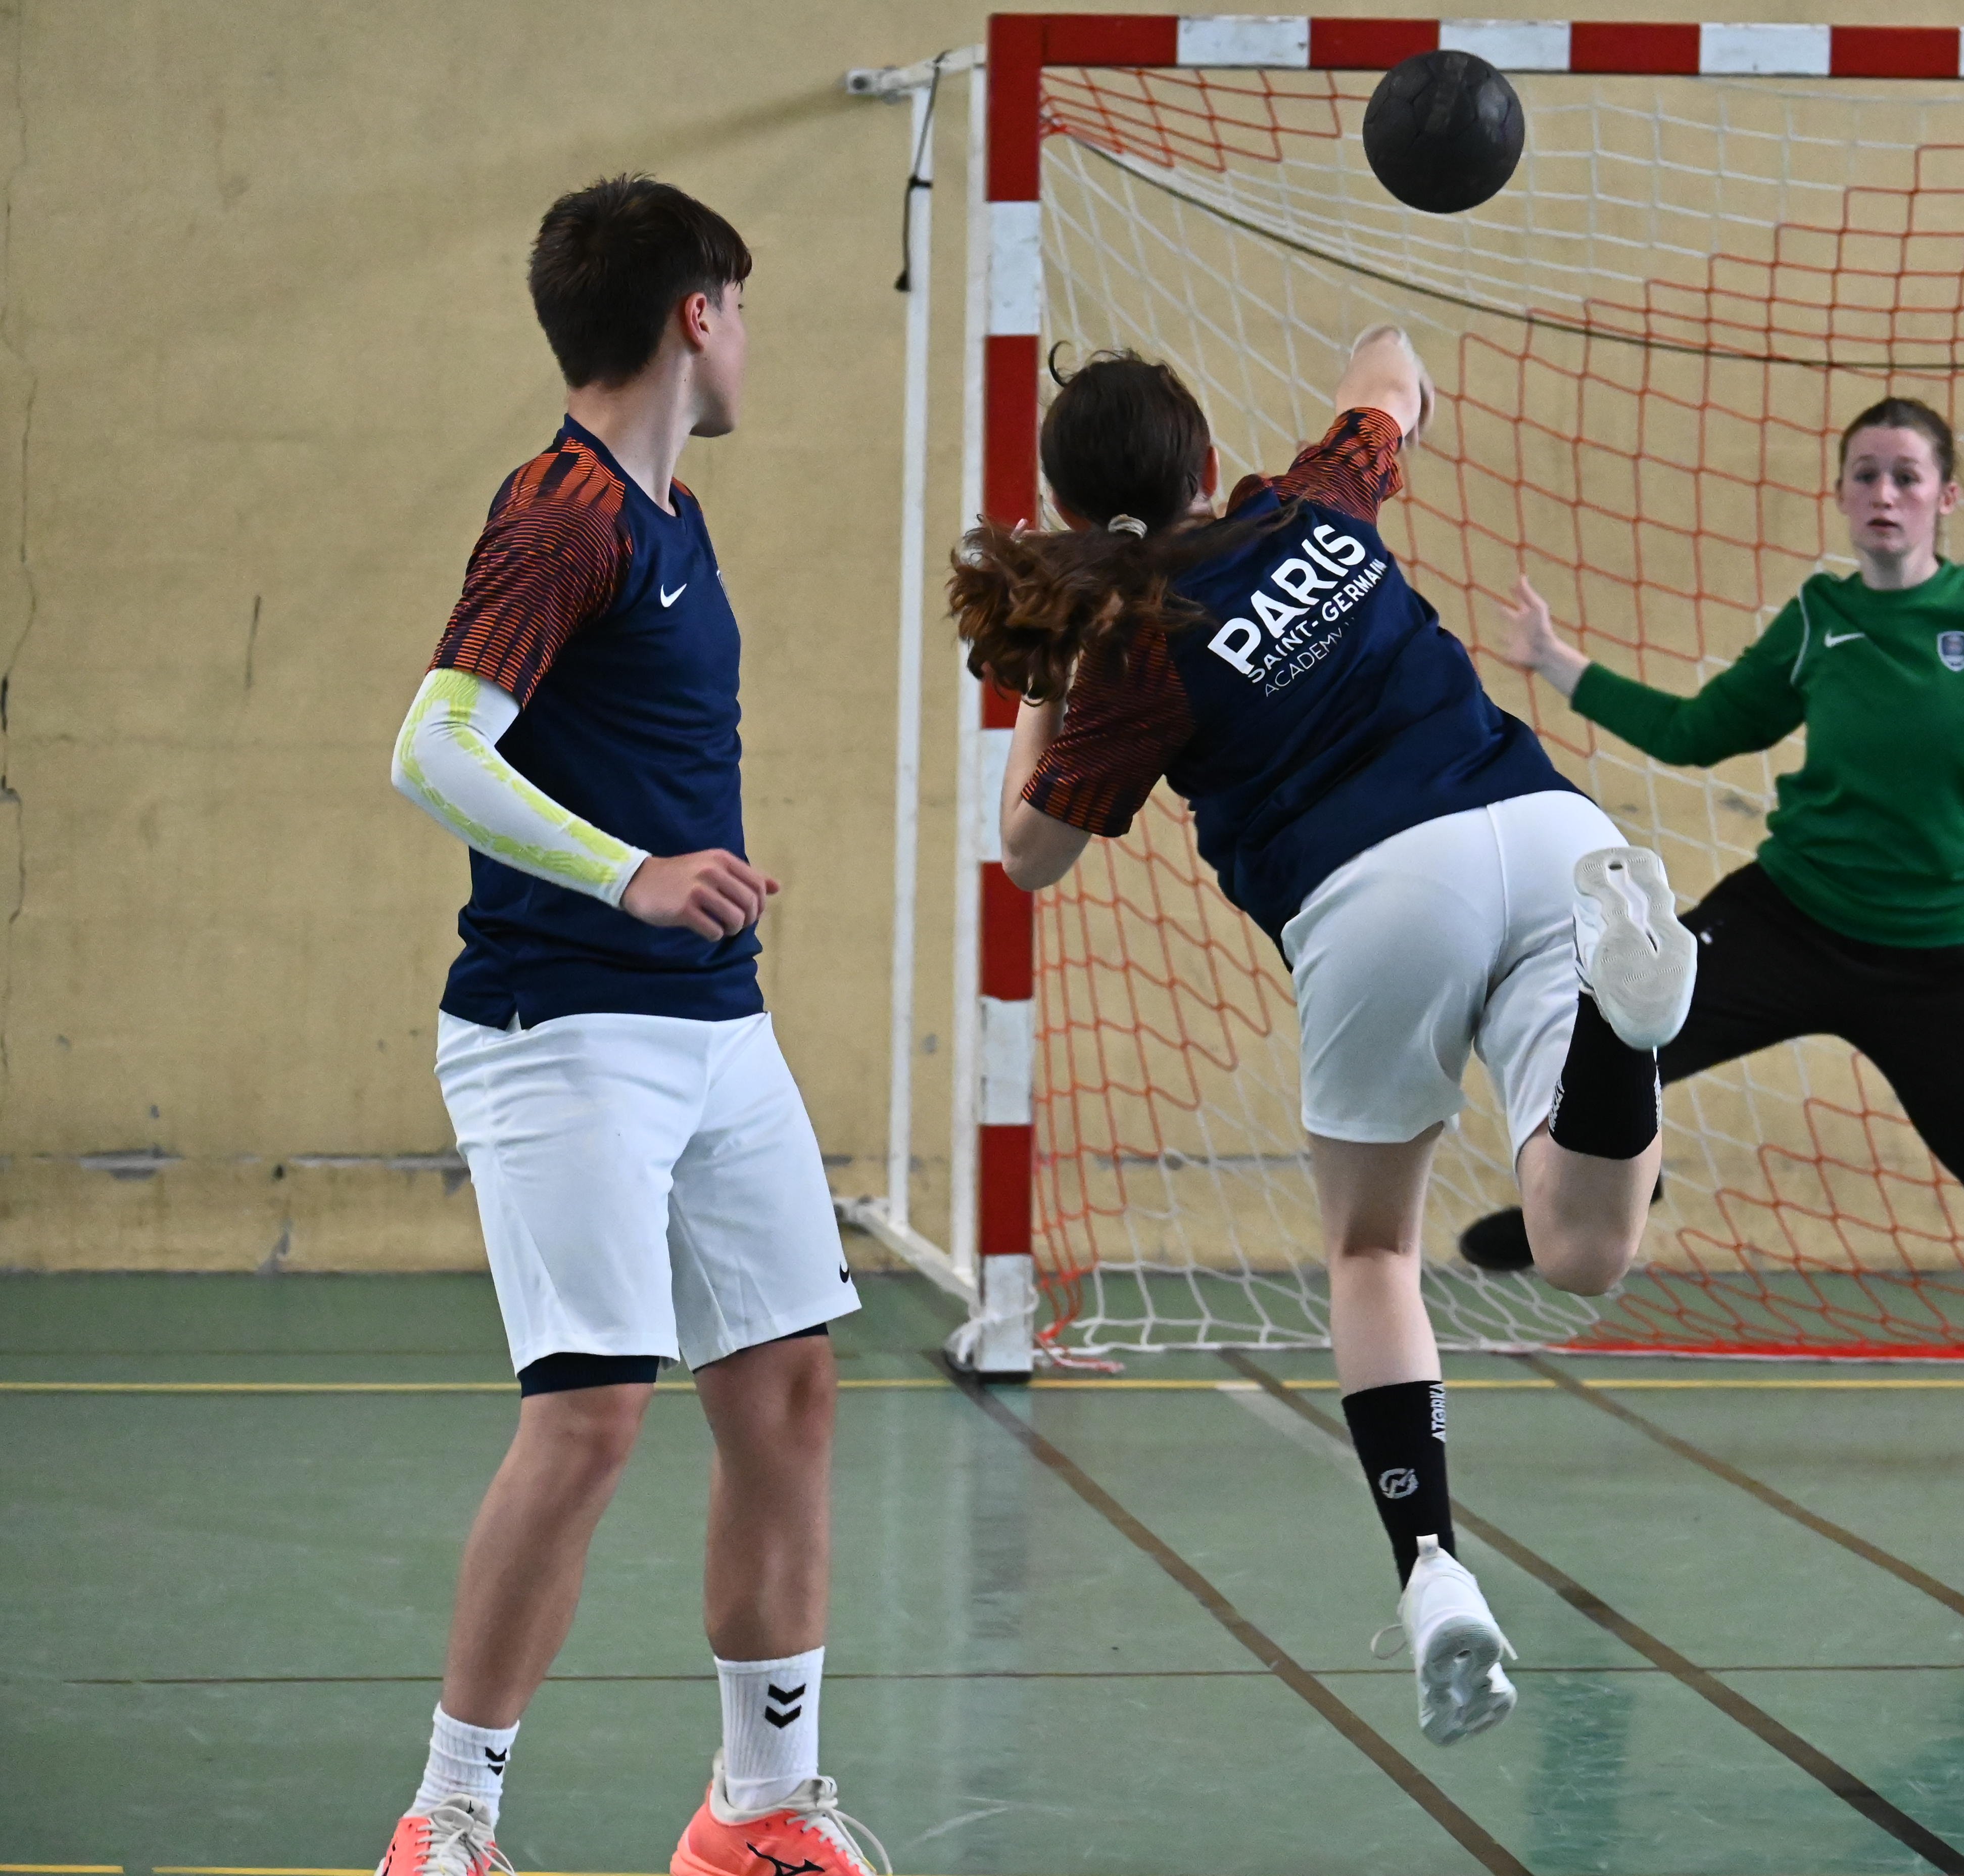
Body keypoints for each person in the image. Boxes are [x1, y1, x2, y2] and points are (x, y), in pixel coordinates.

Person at [950, 333, 1695, 1744]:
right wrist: (1395, 382)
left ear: (1069, 507)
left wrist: (1048, 666)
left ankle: (1433, 1573)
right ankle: (1623, 1019)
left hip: (1375, 895)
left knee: (1375, 1251)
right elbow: (1391, 365)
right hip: (1549, 835)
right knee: (1589, 1247)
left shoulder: (1126, 651)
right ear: (1203, 464)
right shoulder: (1314, 501)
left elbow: (1029, 851)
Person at [376, 177, 880, 1876]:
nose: (751, 339)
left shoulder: (669, 515)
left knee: (787, 1385)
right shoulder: (563, 511)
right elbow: (434, 748)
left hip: (716, 1029)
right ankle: (450, 1815)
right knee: (593, 1412)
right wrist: (633, 875)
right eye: (741, 306)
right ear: (696, 315)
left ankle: (754, 1809)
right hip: (562, 1017)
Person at [1471, 395, 1964, 1470]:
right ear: (1843, 496)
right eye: (1865, 474)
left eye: (1907, 475)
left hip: (1941, 961)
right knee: (1608, 1028)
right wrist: (1557, 662)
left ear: (1945, 499)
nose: (1884, 494)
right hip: (1793, 915)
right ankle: (1616, 1175)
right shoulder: (1820, 618)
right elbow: (1697, 729)